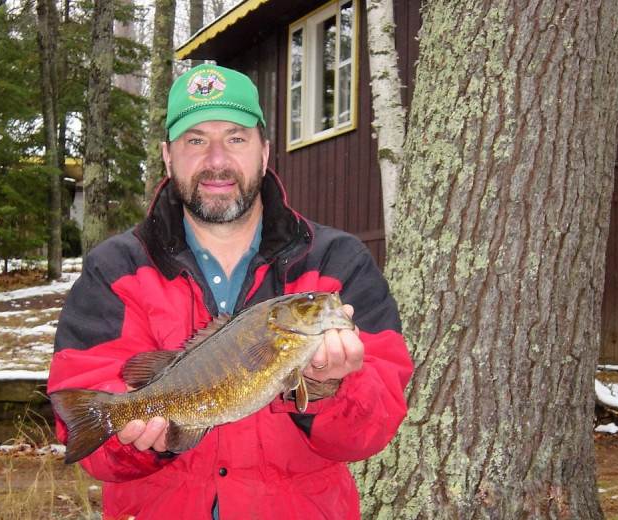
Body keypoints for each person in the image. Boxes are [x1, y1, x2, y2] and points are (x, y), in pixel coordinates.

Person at [48, 64, 413, 520]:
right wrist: (139, 440)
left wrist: (330, 389)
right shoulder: (114, 268)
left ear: (264, 153)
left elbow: (374, 429)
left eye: (236, 138)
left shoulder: (338, 261)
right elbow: (89, 434)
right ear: (167, 155)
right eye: (195, 140)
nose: (216, 160)